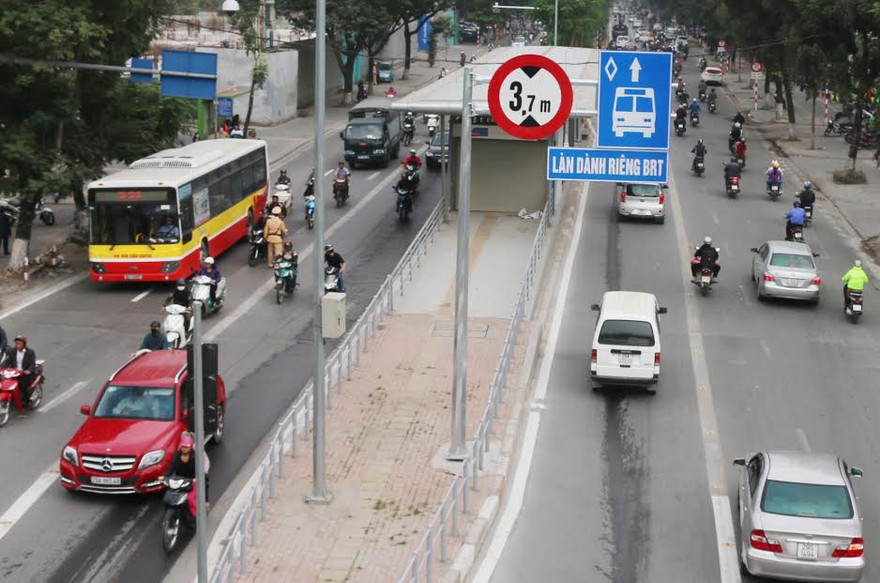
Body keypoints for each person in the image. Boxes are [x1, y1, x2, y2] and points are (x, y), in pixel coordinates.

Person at [158, 431, 210, 513]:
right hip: (182, 478)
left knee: (192, 496)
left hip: (194, 478)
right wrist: (165, 476)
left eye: (186, 447)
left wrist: (199, 476)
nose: (184, 448)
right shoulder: (178, 453)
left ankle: (197, 514)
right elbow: (172, 466)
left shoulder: (196, 453)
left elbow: (203, 465)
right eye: (183, 446)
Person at [2, 335, 35, 408]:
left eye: (19, 343)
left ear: (24, 344)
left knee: (23, 387)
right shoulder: (12, 351)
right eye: (16, 343)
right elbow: (7, 362)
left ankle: (27, 400)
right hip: (14, 373)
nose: (17, 345)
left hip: (25, 374)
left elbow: (32, 364)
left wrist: (28, 370)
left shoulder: (30, 352)